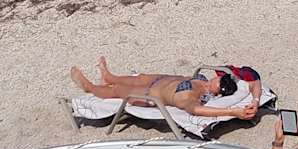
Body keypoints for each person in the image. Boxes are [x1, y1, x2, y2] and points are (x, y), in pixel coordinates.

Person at [70, 60, 261, 119]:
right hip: (158, 80)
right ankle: (109, 77)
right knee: (141, 77)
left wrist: (232, 112)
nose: (216, 79)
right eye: (219, 78)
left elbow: (195, 109)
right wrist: (255, 100)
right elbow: (254, 81)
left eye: (218, 84)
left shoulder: (196, 96)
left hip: (149, 95)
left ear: (218, 92)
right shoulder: (203, 80)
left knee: (119, 90)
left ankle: (90, 88)